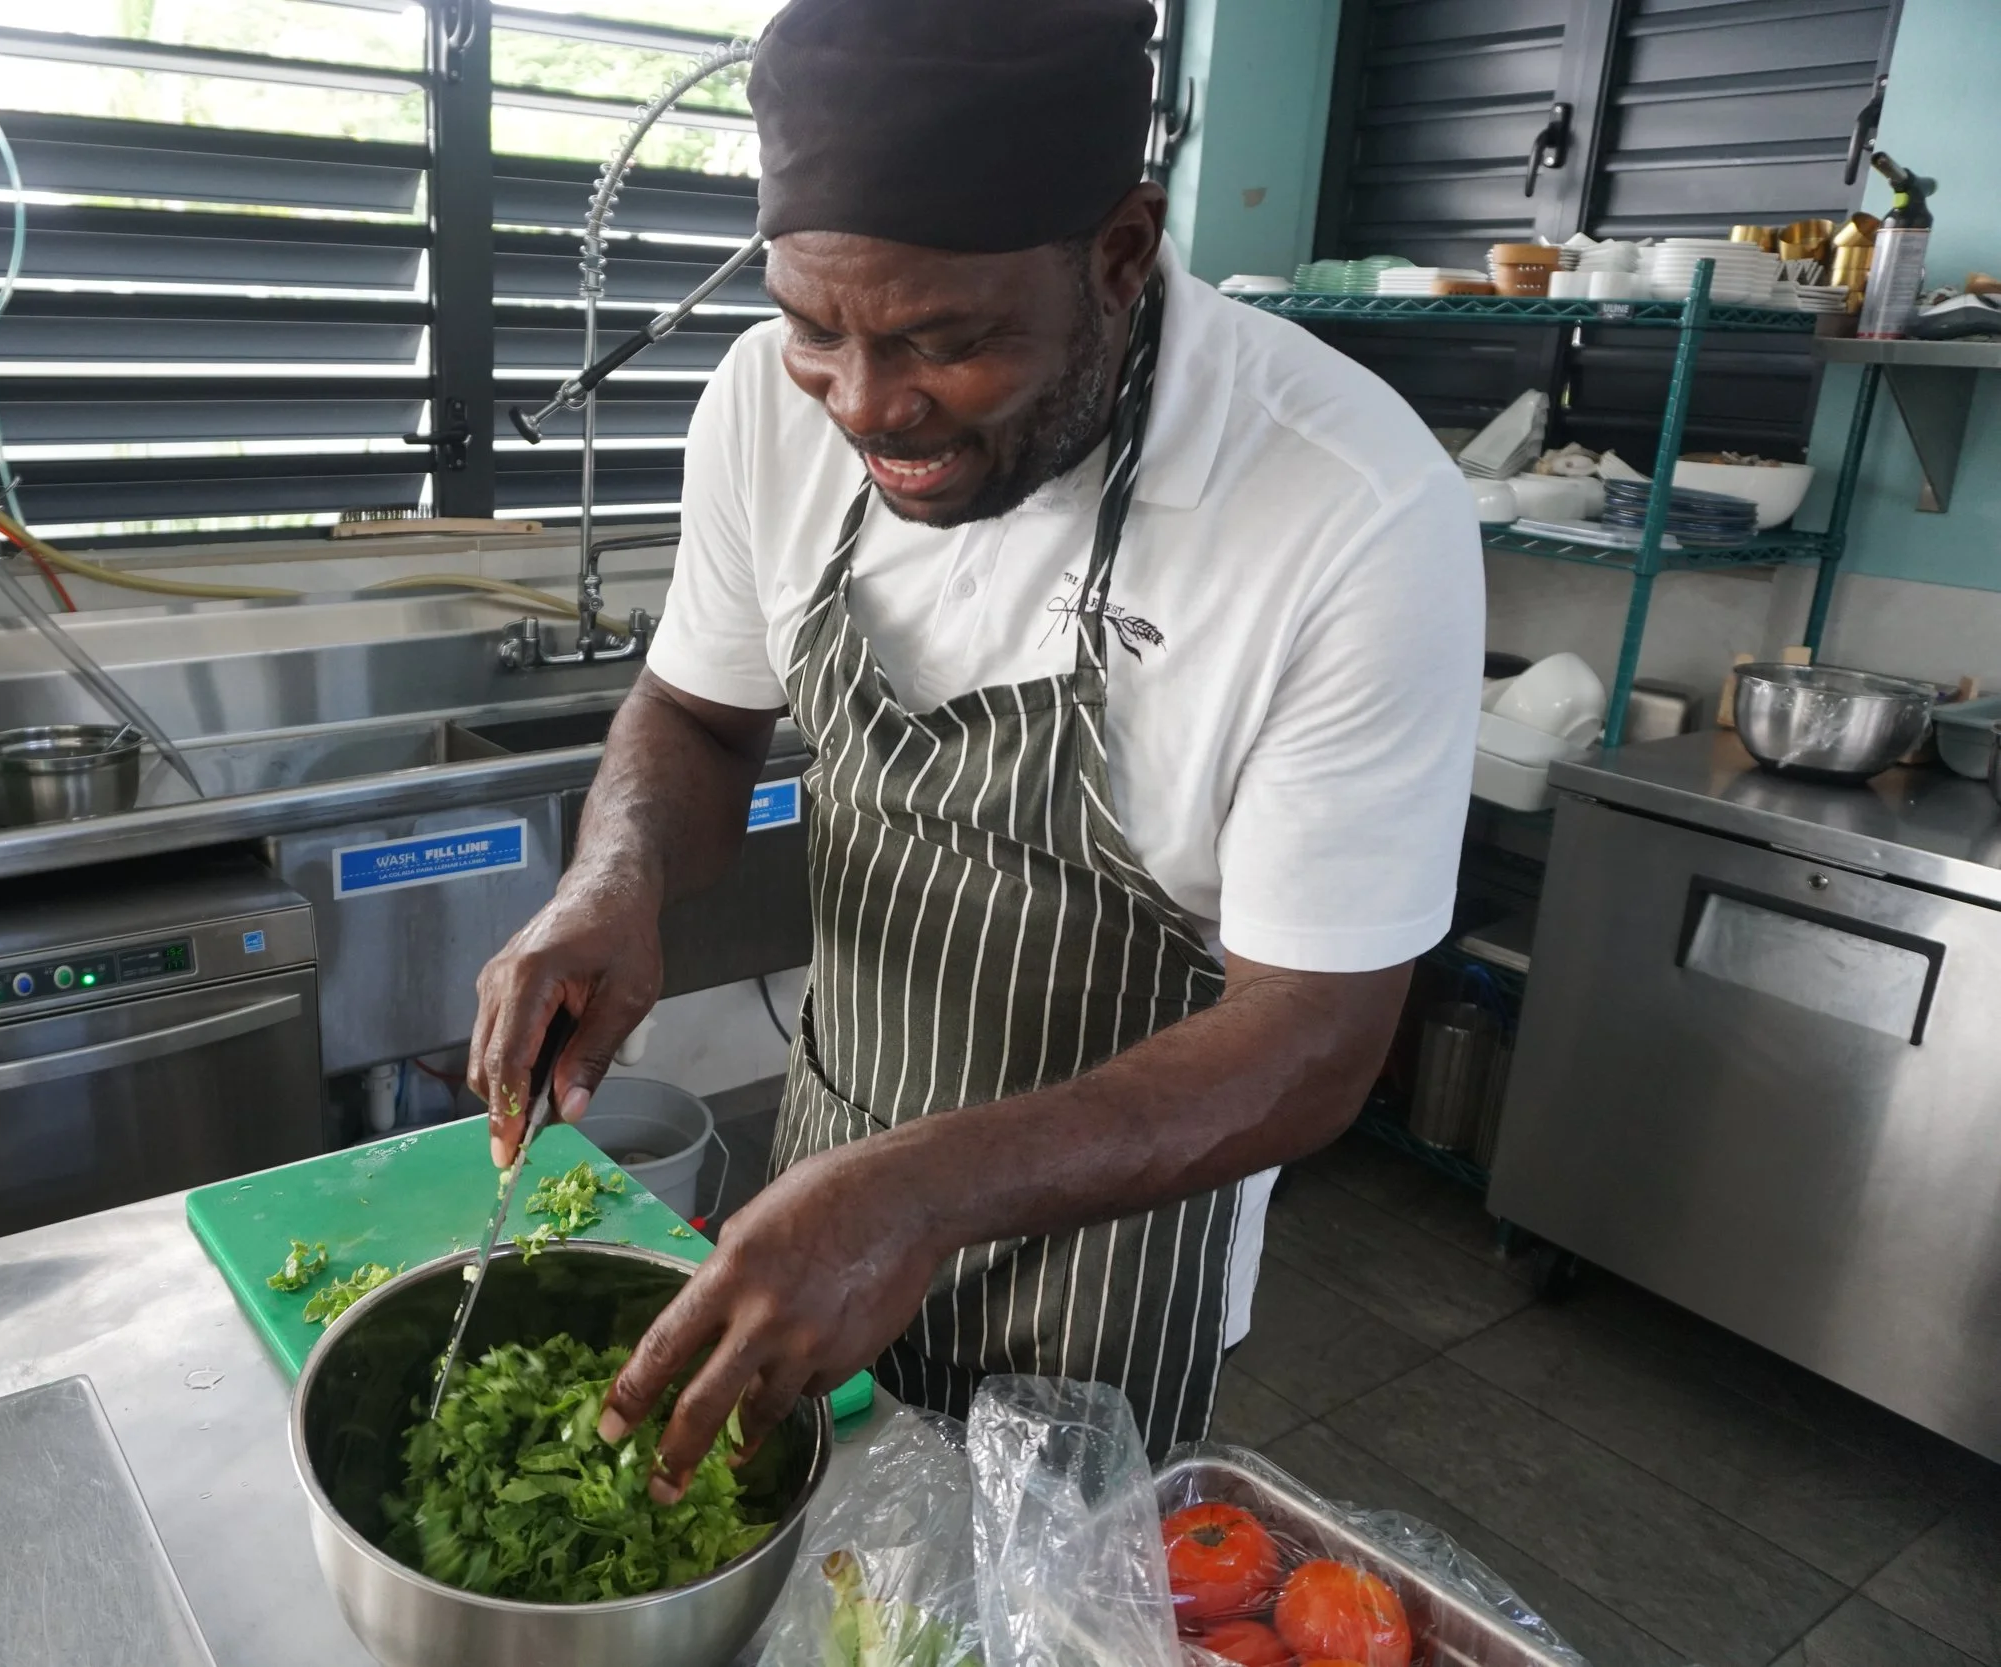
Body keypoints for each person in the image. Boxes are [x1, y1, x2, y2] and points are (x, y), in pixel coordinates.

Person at [468, 0, 1481, 1494]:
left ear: (1122, 255)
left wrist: (924, 1194)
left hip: (1111, 1259)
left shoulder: (1350, 507)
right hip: (833, 1153)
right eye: (820, 329)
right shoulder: (763, 400)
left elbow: (1320, 1035)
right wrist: (612, 879)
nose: (869, 407)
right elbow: (695, 710)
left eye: (946, 343)